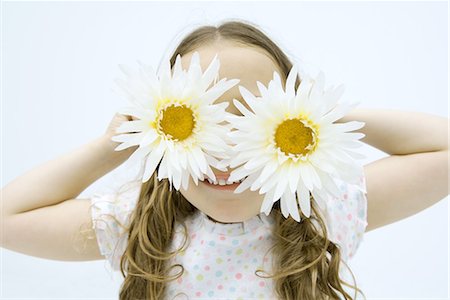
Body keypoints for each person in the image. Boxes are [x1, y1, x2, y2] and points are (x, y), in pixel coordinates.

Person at [2, 19, 448, 300]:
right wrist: (111, 145)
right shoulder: (138, 225)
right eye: (199, 123)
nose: (228, 152)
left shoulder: (322, 212)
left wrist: (321, 120)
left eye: (254, 120)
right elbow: (8, 219)